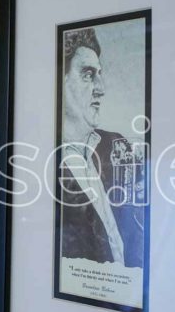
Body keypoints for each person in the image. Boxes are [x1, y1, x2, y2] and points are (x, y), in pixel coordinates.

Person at [58, 26, 145, 268]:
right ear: (59, 83)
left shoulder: (116, 145)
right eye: (87, 74)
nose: (101, 88)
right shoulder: (42, 162)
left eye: (99, 74)